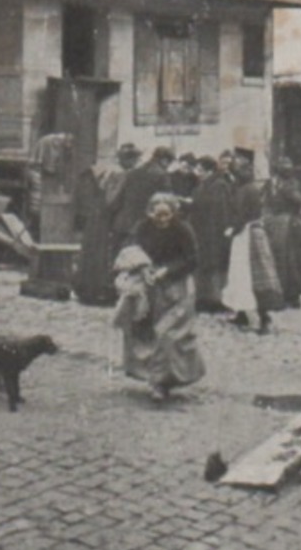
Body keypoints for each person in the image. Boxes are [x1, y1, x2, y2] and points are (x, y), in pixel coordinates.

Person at [115, 193, 206, 404]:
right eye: (157, 215)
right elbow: (130, 249)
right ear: (150, 212)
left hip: (176, 288)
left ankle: (163, 383)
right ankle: (153, 378)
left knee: (169, 335)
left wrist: (167, 270)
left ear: (173, 213)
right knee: (145, 333)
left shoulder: (183, 230)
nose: (161, 219)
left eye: (166, 215)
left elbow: (192, 259)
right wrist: (141, 266)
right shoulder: (142, 227)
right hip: (149, 287)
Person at [243, 164, 301, 333]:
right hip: (273, 223)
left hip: (289, 223)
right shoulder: (270, 184)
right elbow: (263, 200)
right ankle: (279, 292)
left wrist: (286, 193)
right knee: (274, 258)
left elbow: (299, 201)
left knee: (292, 260)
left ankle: (293, 294)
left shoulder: (292, 184)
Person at [69, 144, 139, 306]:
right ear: (127, 159)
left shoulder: (107, 169)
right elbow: (112, 199)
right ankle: (99, 289)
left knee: (91, 249)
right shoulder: (120, 174)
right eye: (134, 159)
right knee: (101, 251)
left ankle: (86, 287)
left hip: (96, 214)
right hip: (104, 217)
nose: (135, 163)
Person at [188, 156, 234, 312]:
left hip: (214, 232)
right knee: (203, 265)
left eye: (200, 170)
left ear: (209, 171)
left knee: (215, 265)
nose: (197, 173)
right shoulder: (204, 185)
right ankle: (203, 298)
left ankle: (216, 300)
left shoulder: (219, 186)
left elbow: (221, 211)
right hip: (202, 231)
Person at [111, 145, 175, 245]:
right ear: (164, 160)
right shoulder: (162, 175)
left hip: (124, 223)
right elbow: (168, 201)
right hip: (145, 225)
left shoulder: (133, 173)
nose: (168, 166)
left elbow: (119, 198)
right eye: (169, 162)